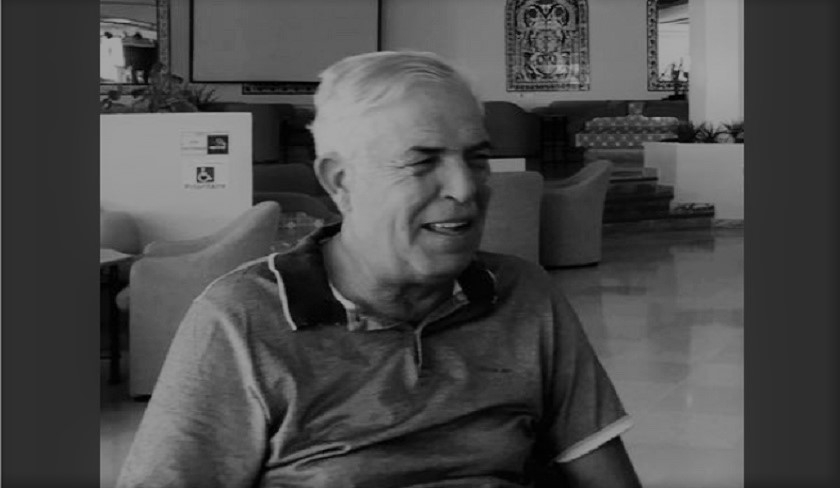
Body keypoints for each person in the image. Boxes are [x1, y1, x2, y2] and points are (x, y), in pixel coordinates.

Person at [117, 51, 641, 488]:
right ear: (340, 180)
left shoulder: (524, 296)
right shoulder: (242, 321)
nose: (465, 188)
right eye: (422, 162)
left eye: (477, 158)